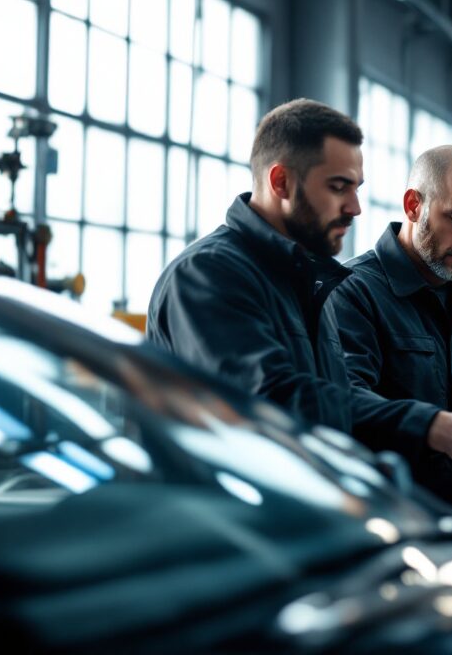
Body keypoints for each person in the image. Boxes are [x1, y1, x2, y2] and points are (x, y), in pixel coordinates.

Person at [149, 98, 431, 443]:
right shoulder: (207, 274)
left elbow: (327, 409)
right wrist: (428, 424)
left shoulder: (307, 281)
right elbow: (269, 405)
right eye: (338, 187)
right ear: (281, 182)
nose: (355, 208)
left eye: (357, 189)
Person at [328, 145, 452, 517]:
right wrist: (437, 427)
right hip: (390, 527)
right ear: (414, 205)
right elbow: (342, 405)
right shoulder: (352, 294)